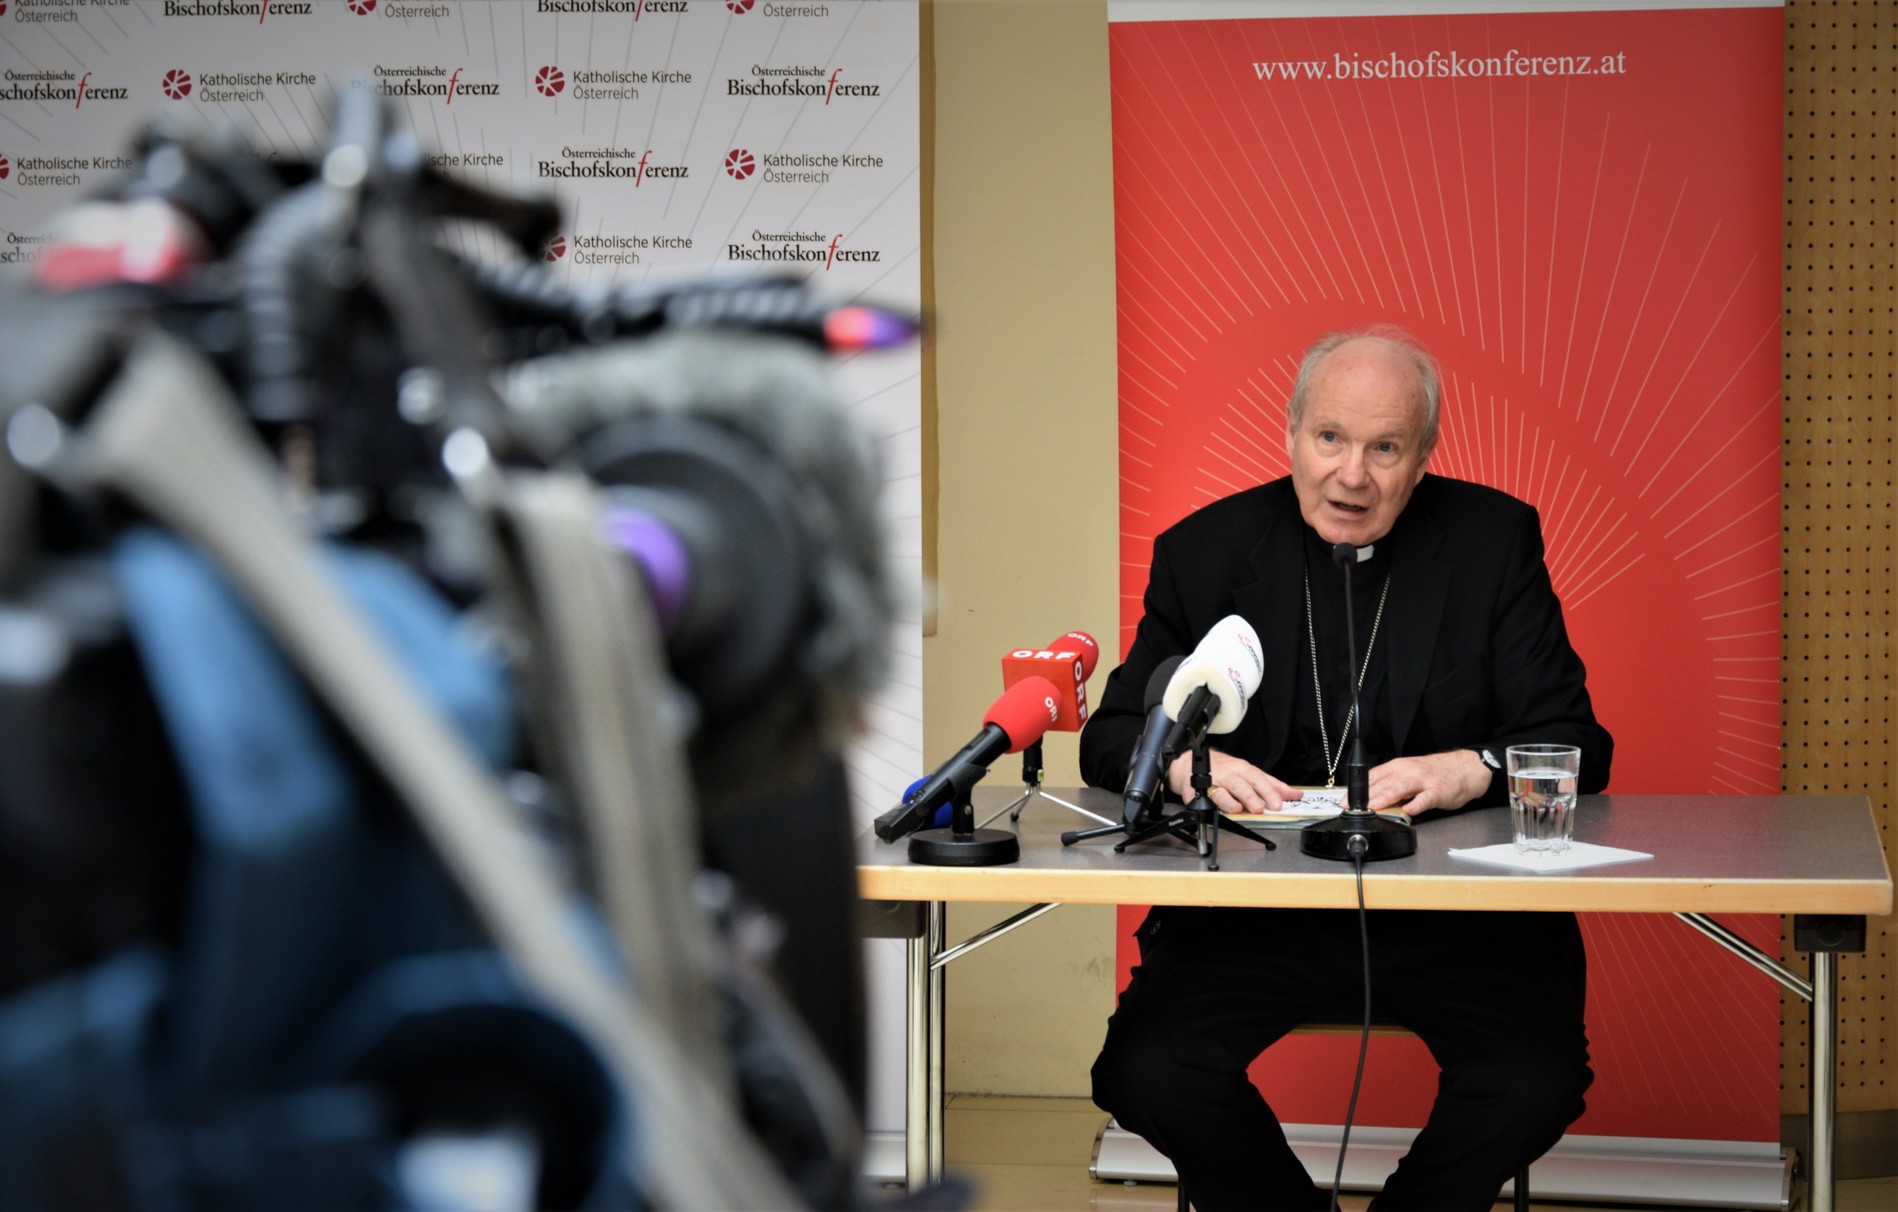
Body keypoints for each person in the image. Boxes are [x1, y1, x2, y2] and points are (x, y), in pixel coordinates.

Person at [1079, 326, 1613, 1211]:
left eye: (1385, 448)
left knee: (1533, 1081)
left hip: (1463, 920)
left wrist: (1474, 767)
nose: (1351, 475)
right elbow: (1112, 736)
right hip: (1256, 920)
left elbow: (1576, 740)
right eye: (1330, 438)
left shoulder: (1493, 543)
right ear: (1291, 433)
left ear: (1424, 455)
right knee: (1148, 1068)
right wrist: (1183, 769)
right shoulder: (1204, 552)